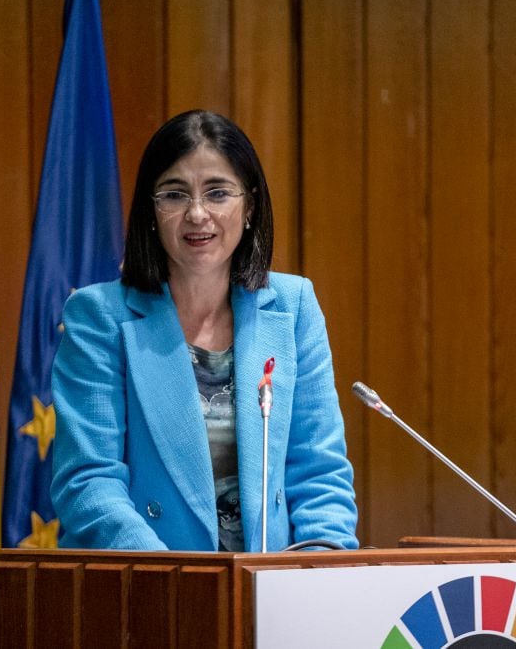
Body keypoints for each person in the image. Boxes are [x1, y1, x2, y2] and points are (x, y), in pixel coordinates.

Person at [50, 110, 358, 551]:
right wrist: (175, 583)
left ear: (249, 205)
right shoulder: (99, 316)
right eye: (174, 195)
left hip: (268, 597)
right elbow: (88, 480)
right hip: (144, 587)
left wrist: (316, 572)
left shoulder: (294, 308)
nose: (197, 214)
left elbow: (318, 473)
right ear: (151, 212)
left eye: (217, 193)